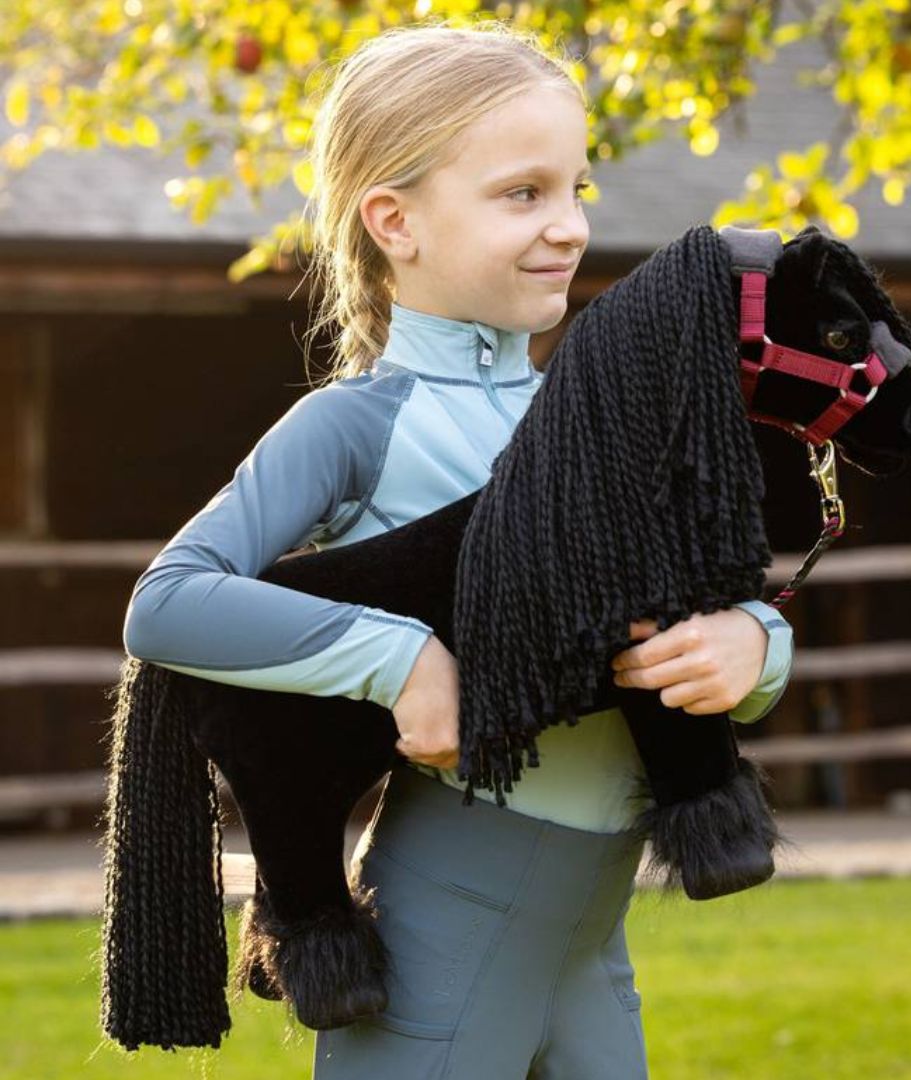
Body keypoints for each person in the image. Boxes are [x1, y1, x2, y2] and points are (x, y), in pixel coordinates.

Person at [121, 19, 795, 1080]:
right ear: (394, 219)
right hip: (449, 918)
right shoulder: (358, 425)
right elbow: (165, 604)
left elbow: (681, 596)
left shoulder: (600, 416)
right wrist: (400, 658)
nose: (568, 228)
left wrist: (752, 647)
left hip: (589, 936)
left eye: (578, 189)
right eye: (523, 194)